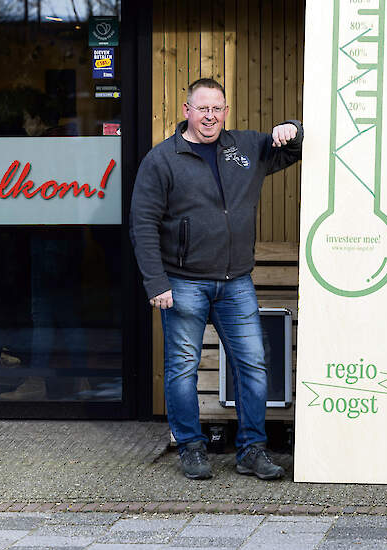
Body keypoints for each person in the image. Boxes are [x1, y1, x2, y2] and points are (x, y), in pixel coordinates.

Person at [130, 77, 303, 480]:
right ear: (187, 110)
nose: (210, 117)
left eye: (217, 109)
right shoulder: (162, 160)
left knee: (254, 365)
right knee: (182, 367)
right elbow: (143, 223)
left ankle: (251, 450)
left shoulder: (245, 148)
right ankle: (191, 448)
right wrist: (156, 283)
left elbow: (294, 148)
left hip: (236, 281)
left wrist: (291, 127)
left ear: (226, 112)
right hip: (183, 281)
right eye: (202, 108)